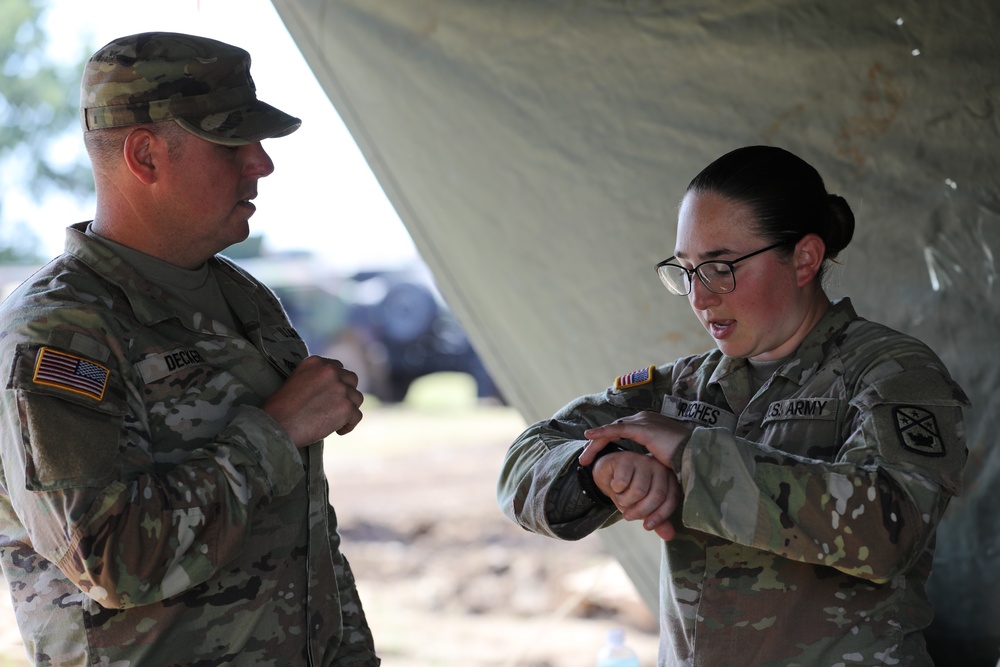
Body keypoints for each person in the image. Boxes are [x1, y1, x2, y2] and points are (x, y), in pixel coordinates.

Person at [497, 145, 970, 666]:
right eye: (687, 270)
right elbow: (526, 457)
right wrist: (601, 470)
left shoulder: (892, 373)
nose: (700, 297)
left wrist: (692, 459)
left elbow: (888, 529)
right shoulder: (683, 387)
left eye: (721, 267)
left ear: (805, 259)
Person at [0, 32, 379, 666]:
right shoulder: (59, 332)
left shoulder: (243, 298)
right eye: (232, 142)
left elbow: (306, 534)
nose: (262, 163)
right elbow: (107, 558)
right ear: (144, 155)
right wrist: (278, 431)